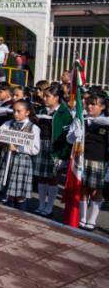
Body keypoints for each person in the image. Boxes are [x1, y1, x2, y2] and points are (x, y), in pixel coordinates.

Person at [67, 93, 109, 231]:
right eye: (88, 103)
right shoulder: (81, 119)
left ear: (102, 107)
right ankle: (83, 218)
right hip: (81, 159)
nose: (89, 106)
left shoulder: (106, 122)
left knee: (96, 191)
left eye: (94, 104)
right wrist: (75, 134)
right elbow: (69, 139)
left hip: (99, 161)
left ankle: (92, 220)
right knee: (83, 188)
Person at [32, 84, 72, 217]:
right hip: (41, 146)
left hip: (55, 149)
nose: (44, 98)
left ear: (56, 98)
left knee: (53, 178)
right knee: (42, 177)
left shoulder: (64, 113)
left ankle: (49, 207)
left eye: (47, 96)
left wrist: (62, 156)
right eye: (44, 95)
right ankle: (41, 204)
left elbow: (67, 138)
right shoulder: (42, 110)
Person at [0, 100, 40, 210]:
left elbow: (35, 149)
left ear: (27, 112)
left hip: (22, 162)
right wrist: (7, 142)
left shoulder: (33, 128)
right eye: (14, 111)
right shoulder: (8, 124)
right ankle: (9, 212)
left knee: (20, 194)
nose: (15, 114)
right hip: (9, 160)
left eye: (19, 111)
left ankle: (20, 212)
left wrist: (18, 148)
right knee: (9, 191)